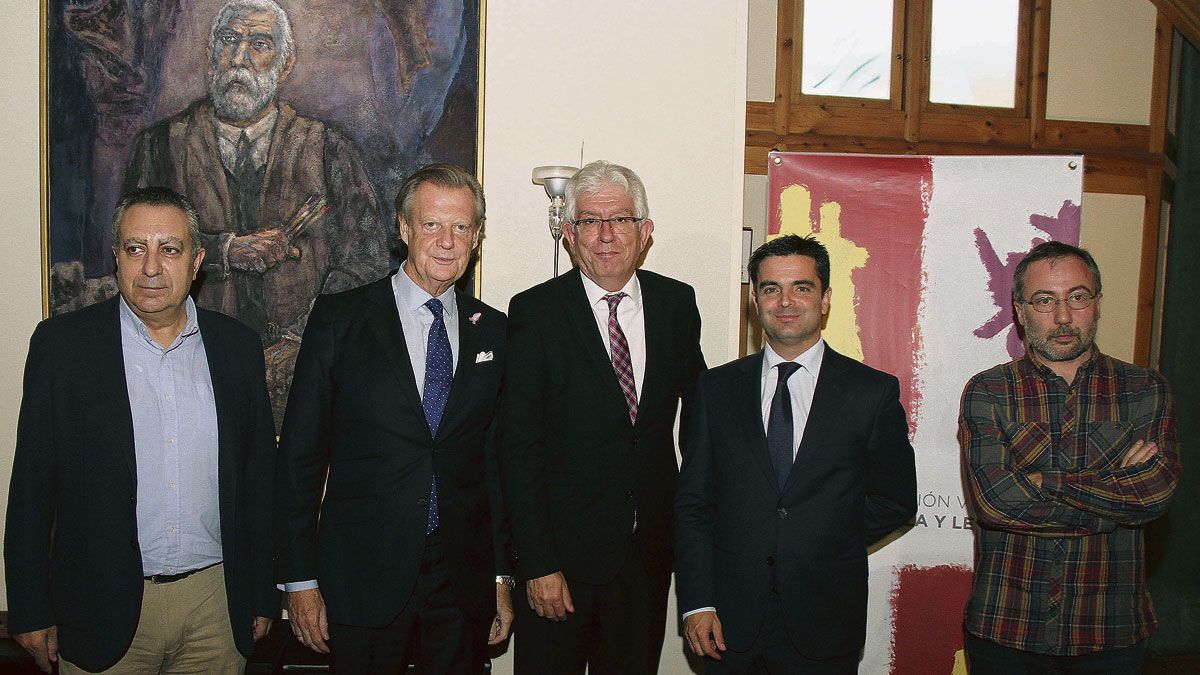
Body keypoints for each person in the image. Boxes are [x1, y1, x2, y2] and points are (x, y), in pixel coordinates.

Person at [5, 187, 277, 673]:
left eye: (169, 249)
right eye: (136, 249)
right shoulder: (62, 348)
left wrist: (260, 595)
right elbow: (31, 487)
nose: (151, 267)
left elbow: (258, 482)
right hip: (99, 608)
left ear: (197, 261)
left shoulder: (237, 348)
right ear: (116, 259)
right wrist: (28, 608)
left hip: (214, 609)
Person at [274, 164, 513, 673]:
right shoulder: (340, 320)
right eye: (431, 225)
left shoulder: (493, 331)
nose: (446, 242)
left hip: (460, 584)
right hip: (362, 578)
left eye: (461, 228)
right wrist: (299, 581)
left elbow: (492, 466)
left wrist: (500, 579)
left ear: (476, 236)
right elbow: (300, 460)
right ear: (403, 229)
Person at [123, 0, 390, 425]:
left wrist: (302, 336)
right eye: (229, 40)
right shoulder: (161, 147)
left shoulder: (328, 150)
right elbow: (132, 251)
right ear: (211, 55)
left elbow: (368, 263)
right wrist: (225, 251)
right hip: (191, 378)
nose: (240, 57)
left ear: (285, 65)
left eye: (260, 44)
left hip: (307, 382)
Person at [498, 160, 706, 674]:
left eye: (621, 219)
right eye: (590, 220)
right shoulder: (534, 313)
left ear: (646, 231)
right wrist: (539, 563)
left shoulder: (677, 305)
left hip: (647, 561)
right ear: (569, 234)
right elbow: (517, 448)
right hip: (560, 566)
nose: (607, 234)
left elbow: (702, 426)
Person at [675, 234, 916, 674]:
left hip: (824, 618)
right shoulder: (715, 390)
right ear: (756, 301)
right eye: (771, 288)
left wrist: (823, 538)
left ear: (824, 299)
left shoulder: (871, 392)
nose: (785, 301)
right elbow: (693, 505)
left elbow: (896, 500)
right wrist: (696, 604)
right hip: (728, 622)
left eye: (801, 287)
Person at [959, 240, 1181, 674]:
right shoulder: (989, 391)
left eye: (1077, 297)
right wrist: (1116, 496)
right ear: (1020, 312)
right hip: (1006, 626)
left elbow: (1154, 497)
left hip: (1110, 629)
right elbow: (995, 502)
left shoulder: (1145, 389)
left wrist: (1045, 482)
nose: (1063, 316)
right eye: (1045, 301)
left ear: (1097, 304)